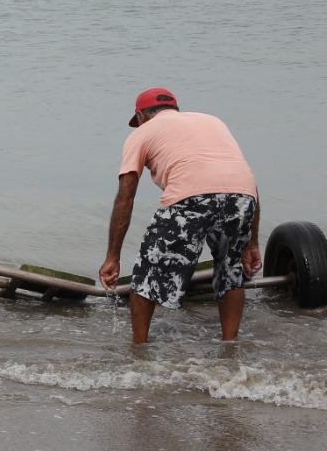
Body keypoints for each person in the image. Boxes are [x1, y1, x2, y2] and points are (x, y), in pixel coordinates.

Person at [98, 88, 262, 344]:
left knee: (148, 273)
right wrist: (252, 243)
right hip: (242, 196)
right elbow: (247, 181)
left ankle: (138, 348)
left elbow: (125, 197)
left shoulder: (141, 133)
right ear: (175, 109)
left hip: (190, 196)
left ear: (140, 116)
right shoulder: (213, 122)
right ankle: (230, 346)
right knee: (231, 270)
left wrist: (112, 257)